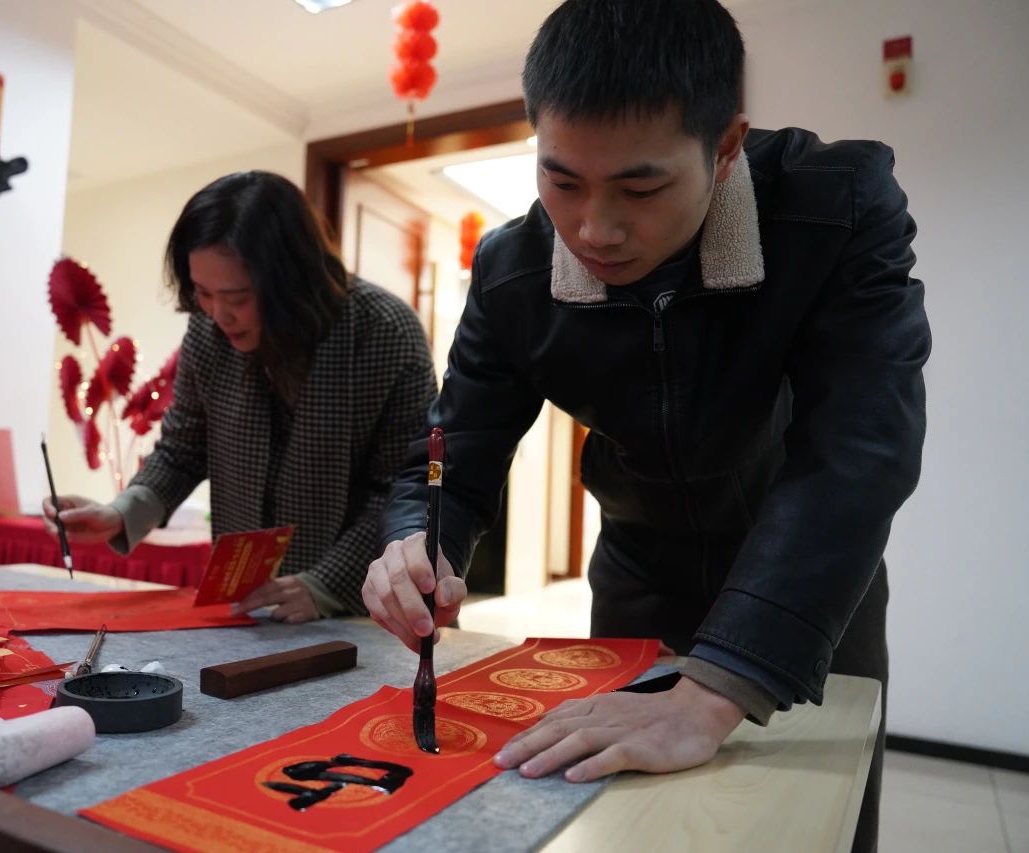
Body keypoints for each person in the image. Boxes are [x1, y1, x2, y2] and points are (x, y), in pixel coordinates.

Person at [363, 1, 929, 849]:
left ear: (726, 147)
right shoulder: (512, 271)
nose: (594, 229)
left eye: (640, 188)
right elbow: (453, 453)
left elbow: (861, 449)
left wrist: (720, 687)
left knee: (809, 824)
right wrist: (418, 541)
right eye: (562, 182)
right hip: (639, 574)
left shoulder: (833, 207)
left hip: (806, 575)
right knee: (621, 820)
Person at [46, 171, 436, 622]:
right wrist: (120, 513)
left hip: (370, 612)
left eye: (238, 297)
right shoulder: (206, 329)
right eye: (203, 293)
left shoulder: (384, 331)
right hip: (248, 605)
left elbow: (404, 488)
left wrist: (326, 586)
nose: (219, 314)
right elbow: (182, 450)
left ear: (292, 281)